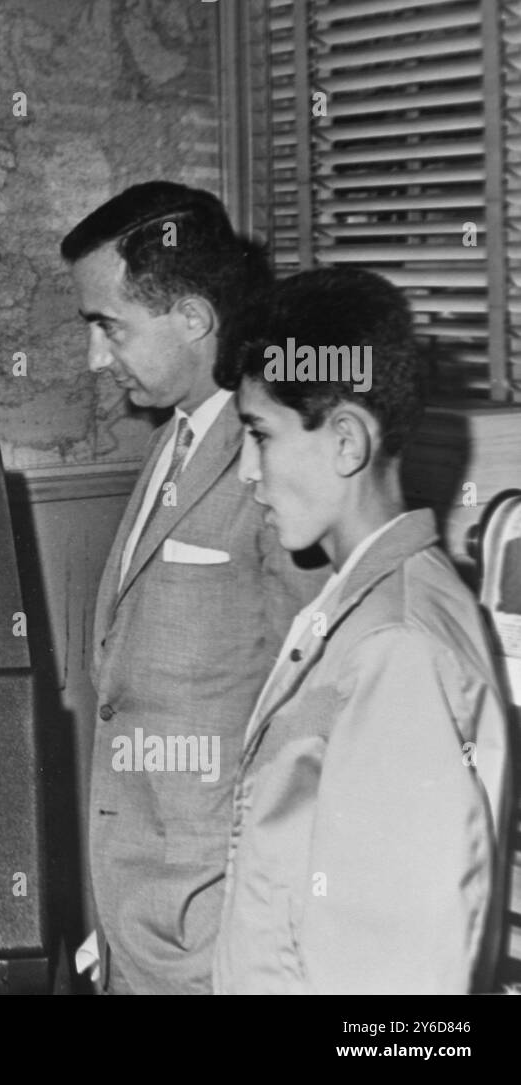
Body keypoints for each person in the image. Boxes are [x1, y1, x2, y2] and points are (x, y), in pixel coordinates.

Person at [211, 267, 510, 993]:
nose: (248, 471)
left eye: (260, 434)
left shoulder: (396, 647)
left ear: (346, 441)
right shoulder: (360, 603)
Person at [61, 181, 328, 994]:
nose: (95, 357)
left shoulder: (276, 469)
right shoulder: (176, 439)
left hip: (218, 942)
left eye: (110, 327)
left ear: (193, 318)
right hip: (136, 925)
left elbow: (314, 729)